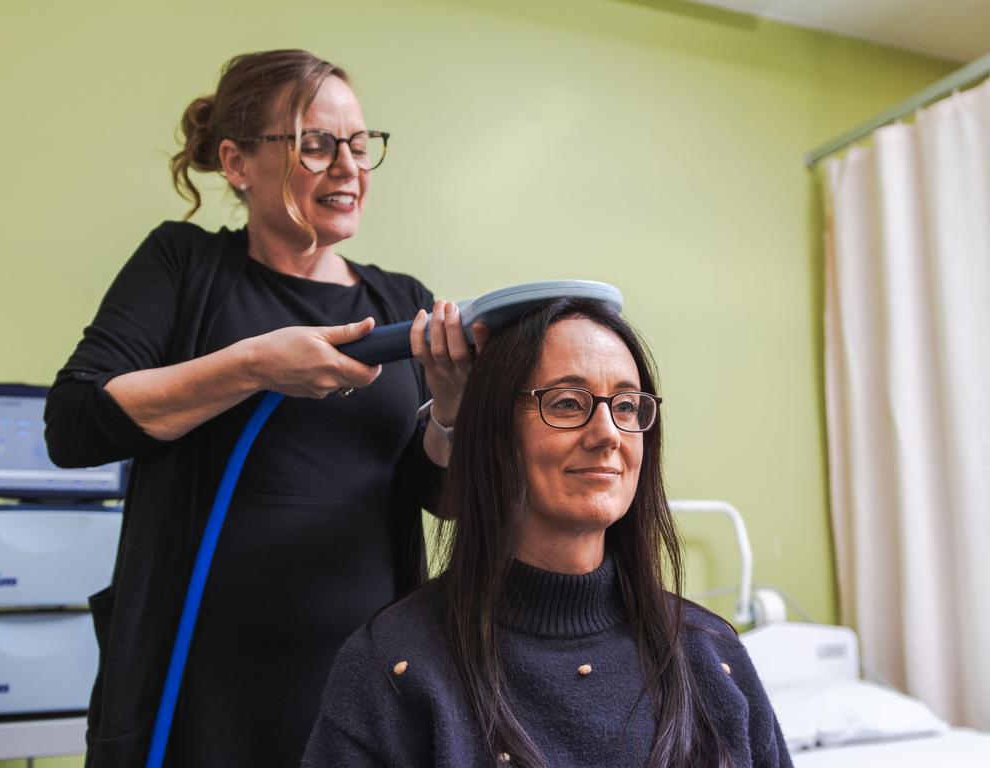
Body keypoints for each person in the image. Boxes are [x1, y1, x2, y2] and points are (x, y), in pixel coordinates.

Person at [44, 49, 480, 768]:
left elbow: (442, 500)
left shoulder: (398, 302)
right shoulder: (184, 267)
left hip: (364, 683)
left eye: (360, 143)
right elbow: (75, 422)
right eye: (316, 143)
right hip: (199, 689)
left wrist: (454, 414)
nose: (349, 167)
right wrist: (252, 364)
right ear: (238, 163)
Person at [303, 297, 792, 767]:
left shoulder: (713, 654)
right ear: (494, 433)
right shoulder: (395, 666)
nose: (608, 434)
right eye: (565, 403)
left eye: (625, 406)